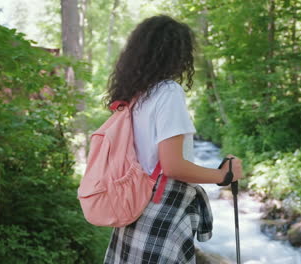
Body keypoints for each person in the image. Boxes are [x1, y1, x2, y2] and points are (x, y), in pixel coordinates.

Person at [102, 15, 243, 264]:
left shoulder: (134, 97)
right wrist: (223, 176)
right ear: (177, 54)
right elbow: (173, 166)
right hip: (161, 211)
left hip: (134, 208)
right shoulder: (168, 92)